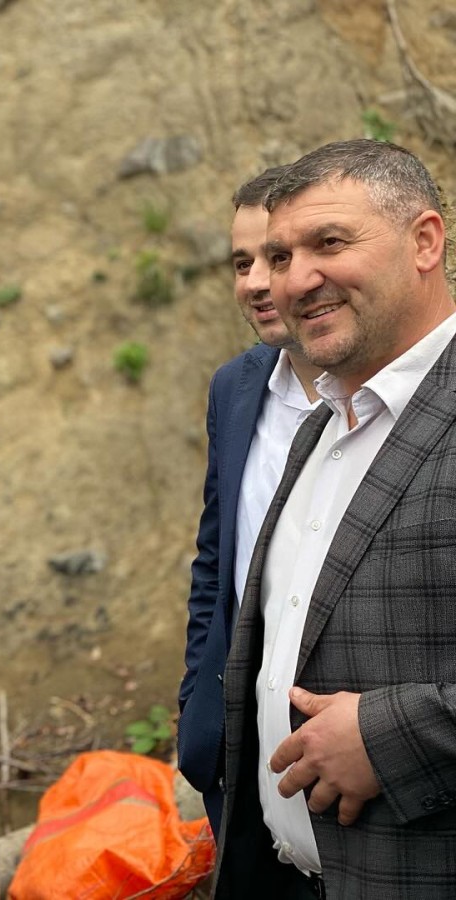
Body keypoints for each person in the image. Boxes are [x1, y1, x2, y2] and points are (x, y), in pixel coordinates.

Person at [216, 139, 456, 898]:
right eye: (281, 256)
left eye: (329, 243)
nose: (295, 280)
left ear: (425, 242)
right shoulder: (321, 428)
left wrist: (392, 736)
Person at [178, 167, 323, 836]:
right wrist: (196, 703)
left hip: (341, 754)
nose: (257, 282)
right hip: (235, 755)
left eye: (277, 257)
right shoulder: (234, 388)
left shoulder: (388, 396)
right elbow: (216, 562)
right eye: (243, 263)